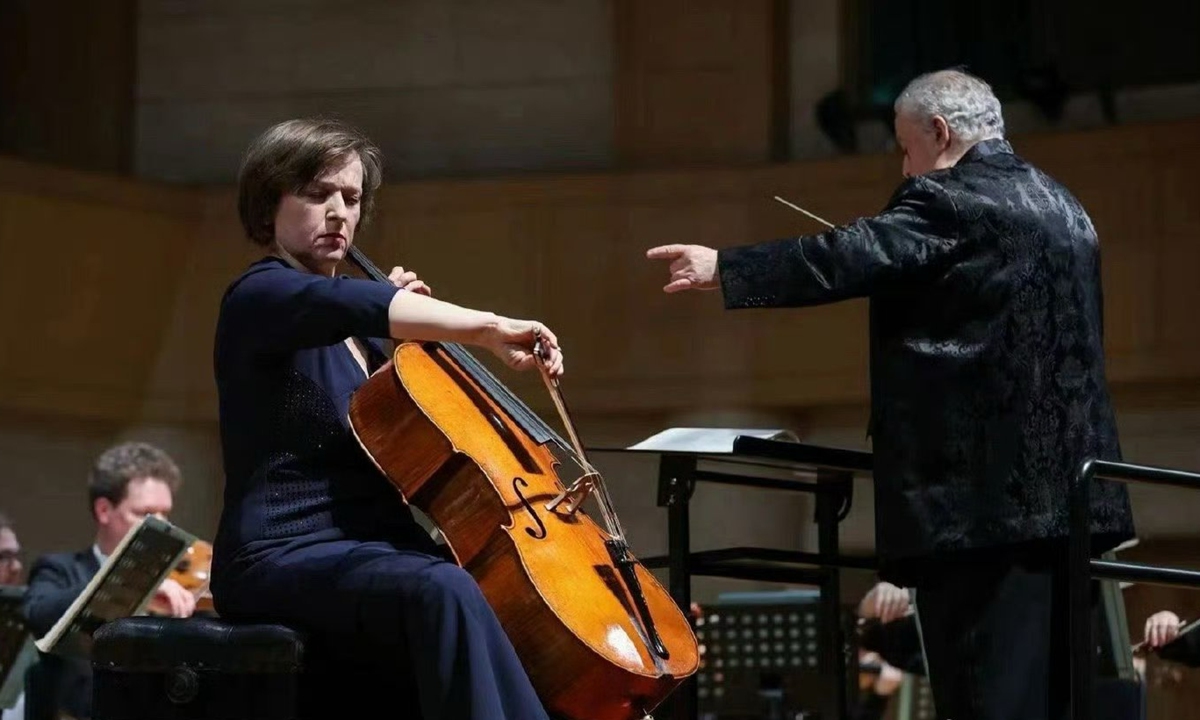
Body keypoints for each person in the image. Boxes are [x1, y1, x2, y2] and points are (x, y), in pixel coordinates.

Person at [646, 68, 1135, 720]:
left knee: (984, 701)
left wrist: (725, 268)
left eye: (906, 148)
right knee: (1049, 702)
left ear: (937, 131)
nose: (906, 170)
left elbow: (850, 253)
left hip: (978, 513)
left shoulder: (948, 198)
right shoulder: (1064, 204)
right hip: (1070, 510)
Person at [208, 117, 565, 720]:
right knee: (443, 590)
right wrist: (488, 327)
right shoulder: (258, 296)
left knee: (483, 590)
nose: (338, 212)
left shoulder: (362, 340)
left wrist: (395, 337)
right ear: (270, 207)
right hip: (278, 553)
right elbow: (338, 302)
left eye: (350, 198)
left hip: (367, 549)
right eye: (317, 194)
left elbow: (359, 323)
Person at [22, 441, 195, 720]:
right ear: (104, 510)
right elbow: (36, 614)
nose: (164, 527)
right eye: (146, 513)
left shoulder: (177, 581)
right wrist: (132, 583)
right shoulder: (59, 569)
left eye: (167, 513)